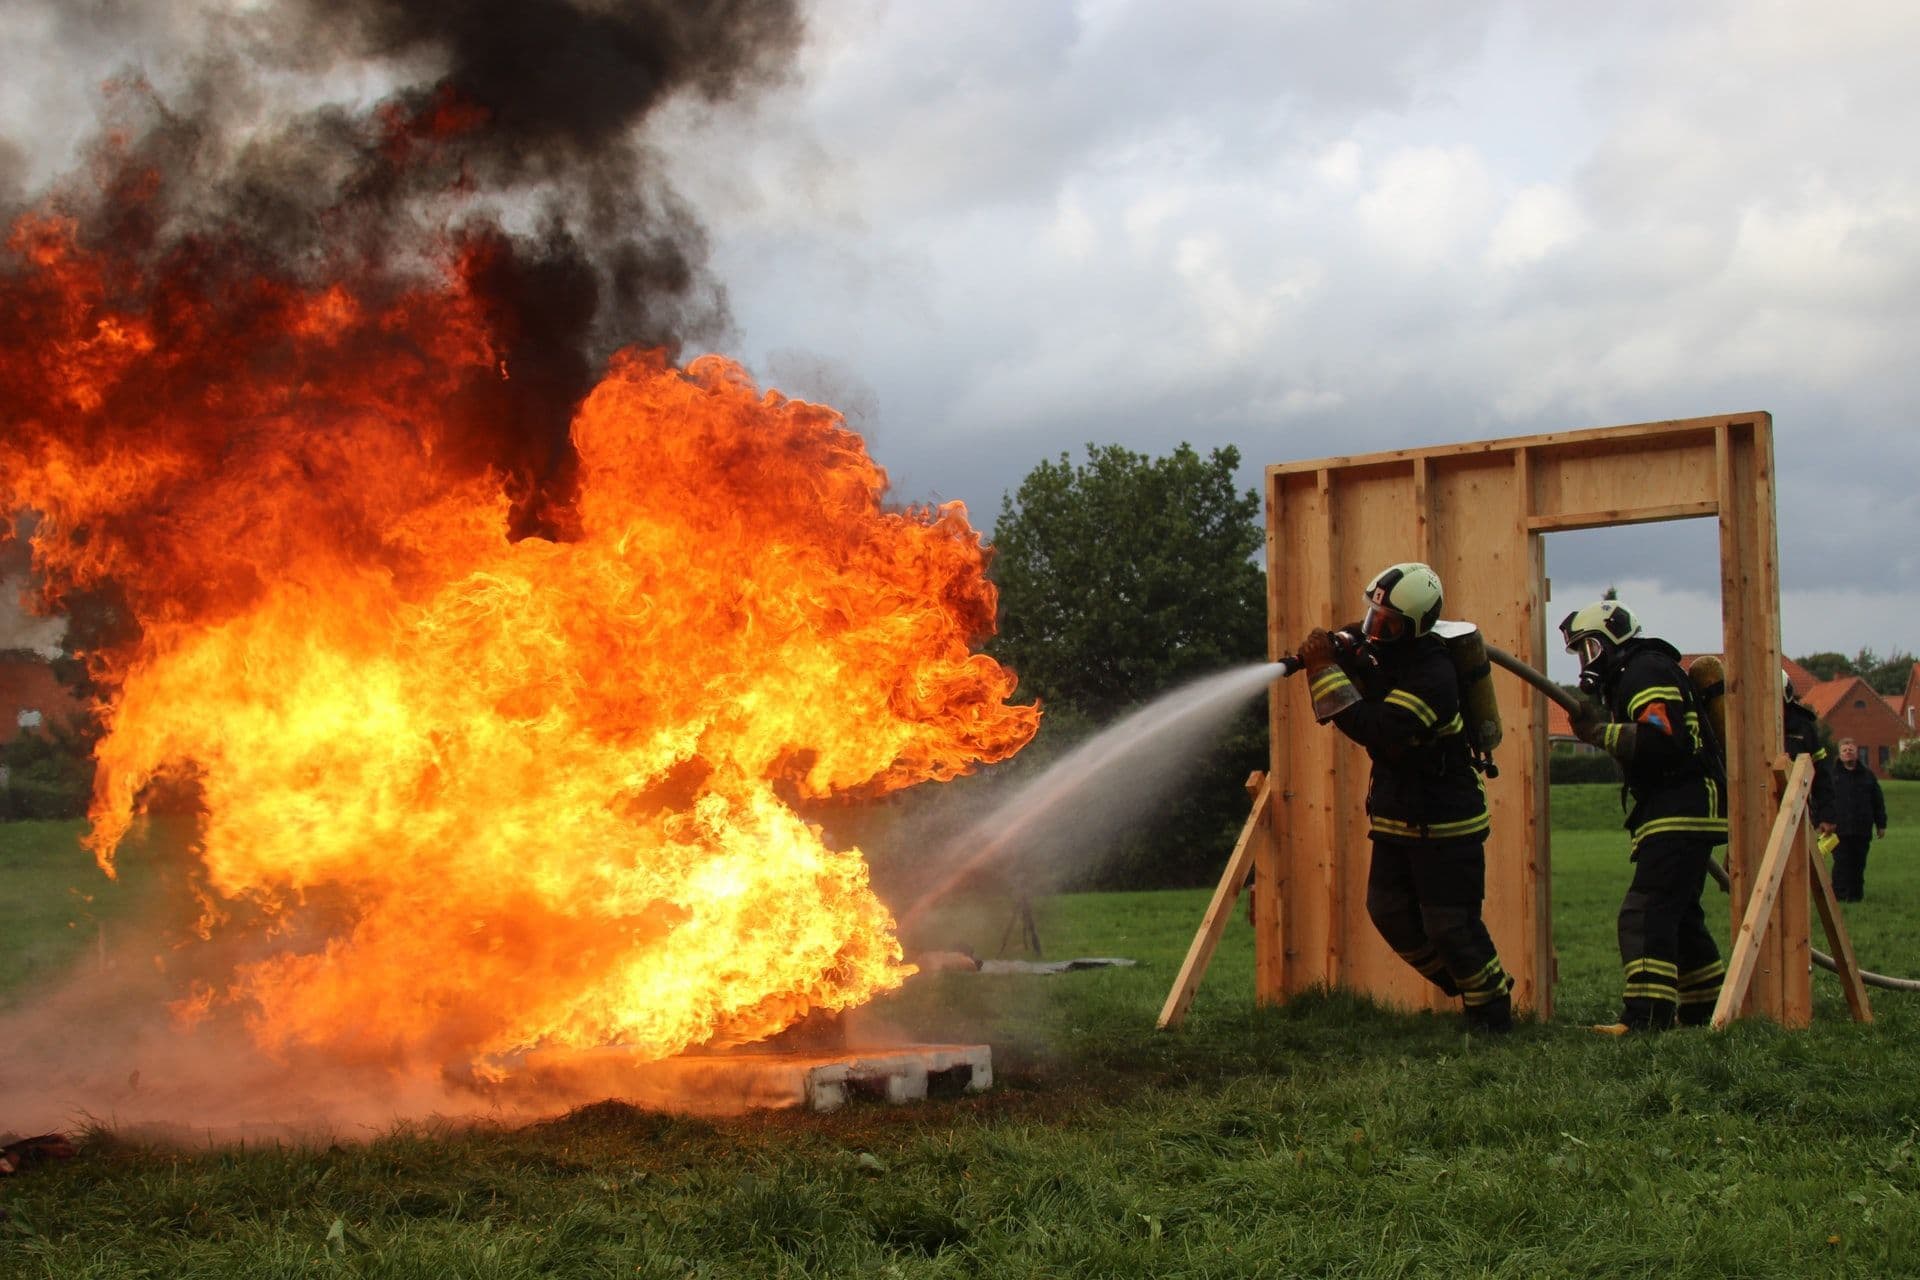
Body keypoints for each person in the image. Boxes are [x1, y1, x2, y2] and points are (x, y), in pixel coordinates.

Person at [1299, 561, 1513, 1032]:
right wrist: (1338, 646)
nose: (1375, 628)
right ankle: (1466, 982)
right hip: (1399, 814)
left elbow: (1375, 727)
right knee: (1389, 912)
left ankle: (1492, 1011)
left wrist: (1322, 669)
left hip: (1446, 819)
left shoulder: (1433, 675)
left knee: (1450, 924)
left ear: (1415, 628)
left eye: (1388, 623)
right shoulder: (1386, 648)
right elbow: (1368, 658)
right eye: (1373, 616)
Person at [1562, 599, 1726, 1032]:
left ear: (1612, 639)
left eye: (1589, 649)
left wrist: (1598, 733)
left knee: (1646, 912)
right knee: (1681, 914)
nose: (1585, 662)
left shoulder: (1644, 671)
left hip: (1680, 807)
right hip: (1681, 806)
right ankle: (1704, 1008)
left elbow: (1663, 743)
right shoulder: (1633, 674)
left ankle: (1646, 1018)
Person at [1829, 738, 1888, 902]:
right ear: (1840, 754)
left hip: (1861, 829)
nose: (1848, 753)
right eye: (1844, 750)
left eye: (1851, 750)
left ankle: (1855, 896)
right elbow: (1823, 800)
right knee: (1841, 863)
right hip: (1838, 828)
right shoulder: (1832, 776)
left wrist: (1881, 824)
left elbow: (1878, 801)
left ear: (1856, 753)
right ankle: (1839, 896)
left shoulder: (1867, 775)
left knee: (1858, 863)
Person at [1781, 673, 1835, 838]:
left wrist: (1827, 815)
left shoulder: (1803, 727)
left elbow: (1822, 773)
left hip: (1798, 813)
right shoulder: (1749, 725)